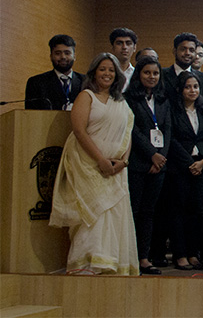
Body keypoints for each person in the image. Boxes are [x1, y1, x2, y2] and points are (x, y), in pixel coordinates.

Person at [49, 52, 138, 275]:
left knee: (113, 216)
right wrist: (101, 160)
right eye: (102, 69)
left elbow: (127, 135)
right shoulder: (86, 96)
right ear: (94, 73)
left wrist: (122, 162)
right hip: (88, 166)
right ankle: (86, 265)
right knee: (92, 214)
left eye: (111, 70)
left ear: (117, 75)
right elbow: (79, 131)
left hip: (116, 171)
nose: (107, 73)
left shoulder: (122, 103)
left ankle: (111, 265)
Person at [125, 56, 172, 275]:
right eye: (147, 73)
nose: (151, 77)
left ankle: (144, 257)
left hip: (159, 166)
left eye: (155, 73)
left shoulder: (163, 99)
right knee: (133, 211)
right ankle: (129, 257)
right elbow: (132, 129)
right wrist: (152, 155)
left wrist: (160, 157)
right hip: (137, 163)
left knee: (149, 213)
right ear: (138, 75)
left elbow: (168, 130)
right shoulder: (128, 99)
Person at [166, 71, 203, 270]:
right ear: (180, 89)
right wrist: (189, 162)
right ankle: (180, 254)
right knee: (178, 211)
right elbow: (172, 139)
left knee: (197, 212)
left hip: (202, 167)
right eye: (188, 87)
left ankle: (193, 253)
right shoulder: (172, 110)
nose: (192, 90)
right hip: (179, 166)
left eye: (195, 86)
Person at [25, 34, 84, 110]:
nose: (63, 57)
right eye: (58, 53)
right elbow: (30, 115)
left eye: (67, 53)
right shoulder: (36, 83)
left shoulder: (86, 81)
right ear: (51, 56)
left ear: (74, 56)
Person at [161, 32, 203, 111]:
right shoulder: (161, 76)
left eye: (191, 50)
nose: (187, 53)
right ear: (175, 51)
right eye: (183, 49)